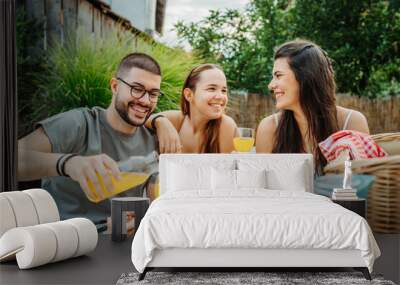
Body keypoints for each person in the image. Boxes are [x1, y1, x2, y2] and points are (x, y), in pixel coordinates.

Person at [18, 53, 162, 225]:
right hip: (65, 239)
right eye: (137, 89)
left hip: (120, 240)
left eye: (153, 94)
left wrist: (163, 122)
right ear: (115, 86)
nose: (146, 101)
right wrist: (68, 163)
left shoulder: (153, 140)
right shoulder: (79, 124)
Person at [256, 40, 369, 174]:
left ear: (306, 77)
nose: (271, 85)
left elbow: (364, 184)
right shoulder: (269, 128)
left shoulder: (351, 122)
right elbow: (263, 189)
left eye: (278, 75)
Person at [146, 63, 237, 153]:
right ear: (189, 95)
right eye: (211, 89)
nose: (220, 96)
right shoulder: (177, 121)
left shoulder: (226, 126)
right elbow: (143, 121)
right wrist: (160, 121)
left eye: (224, 90)